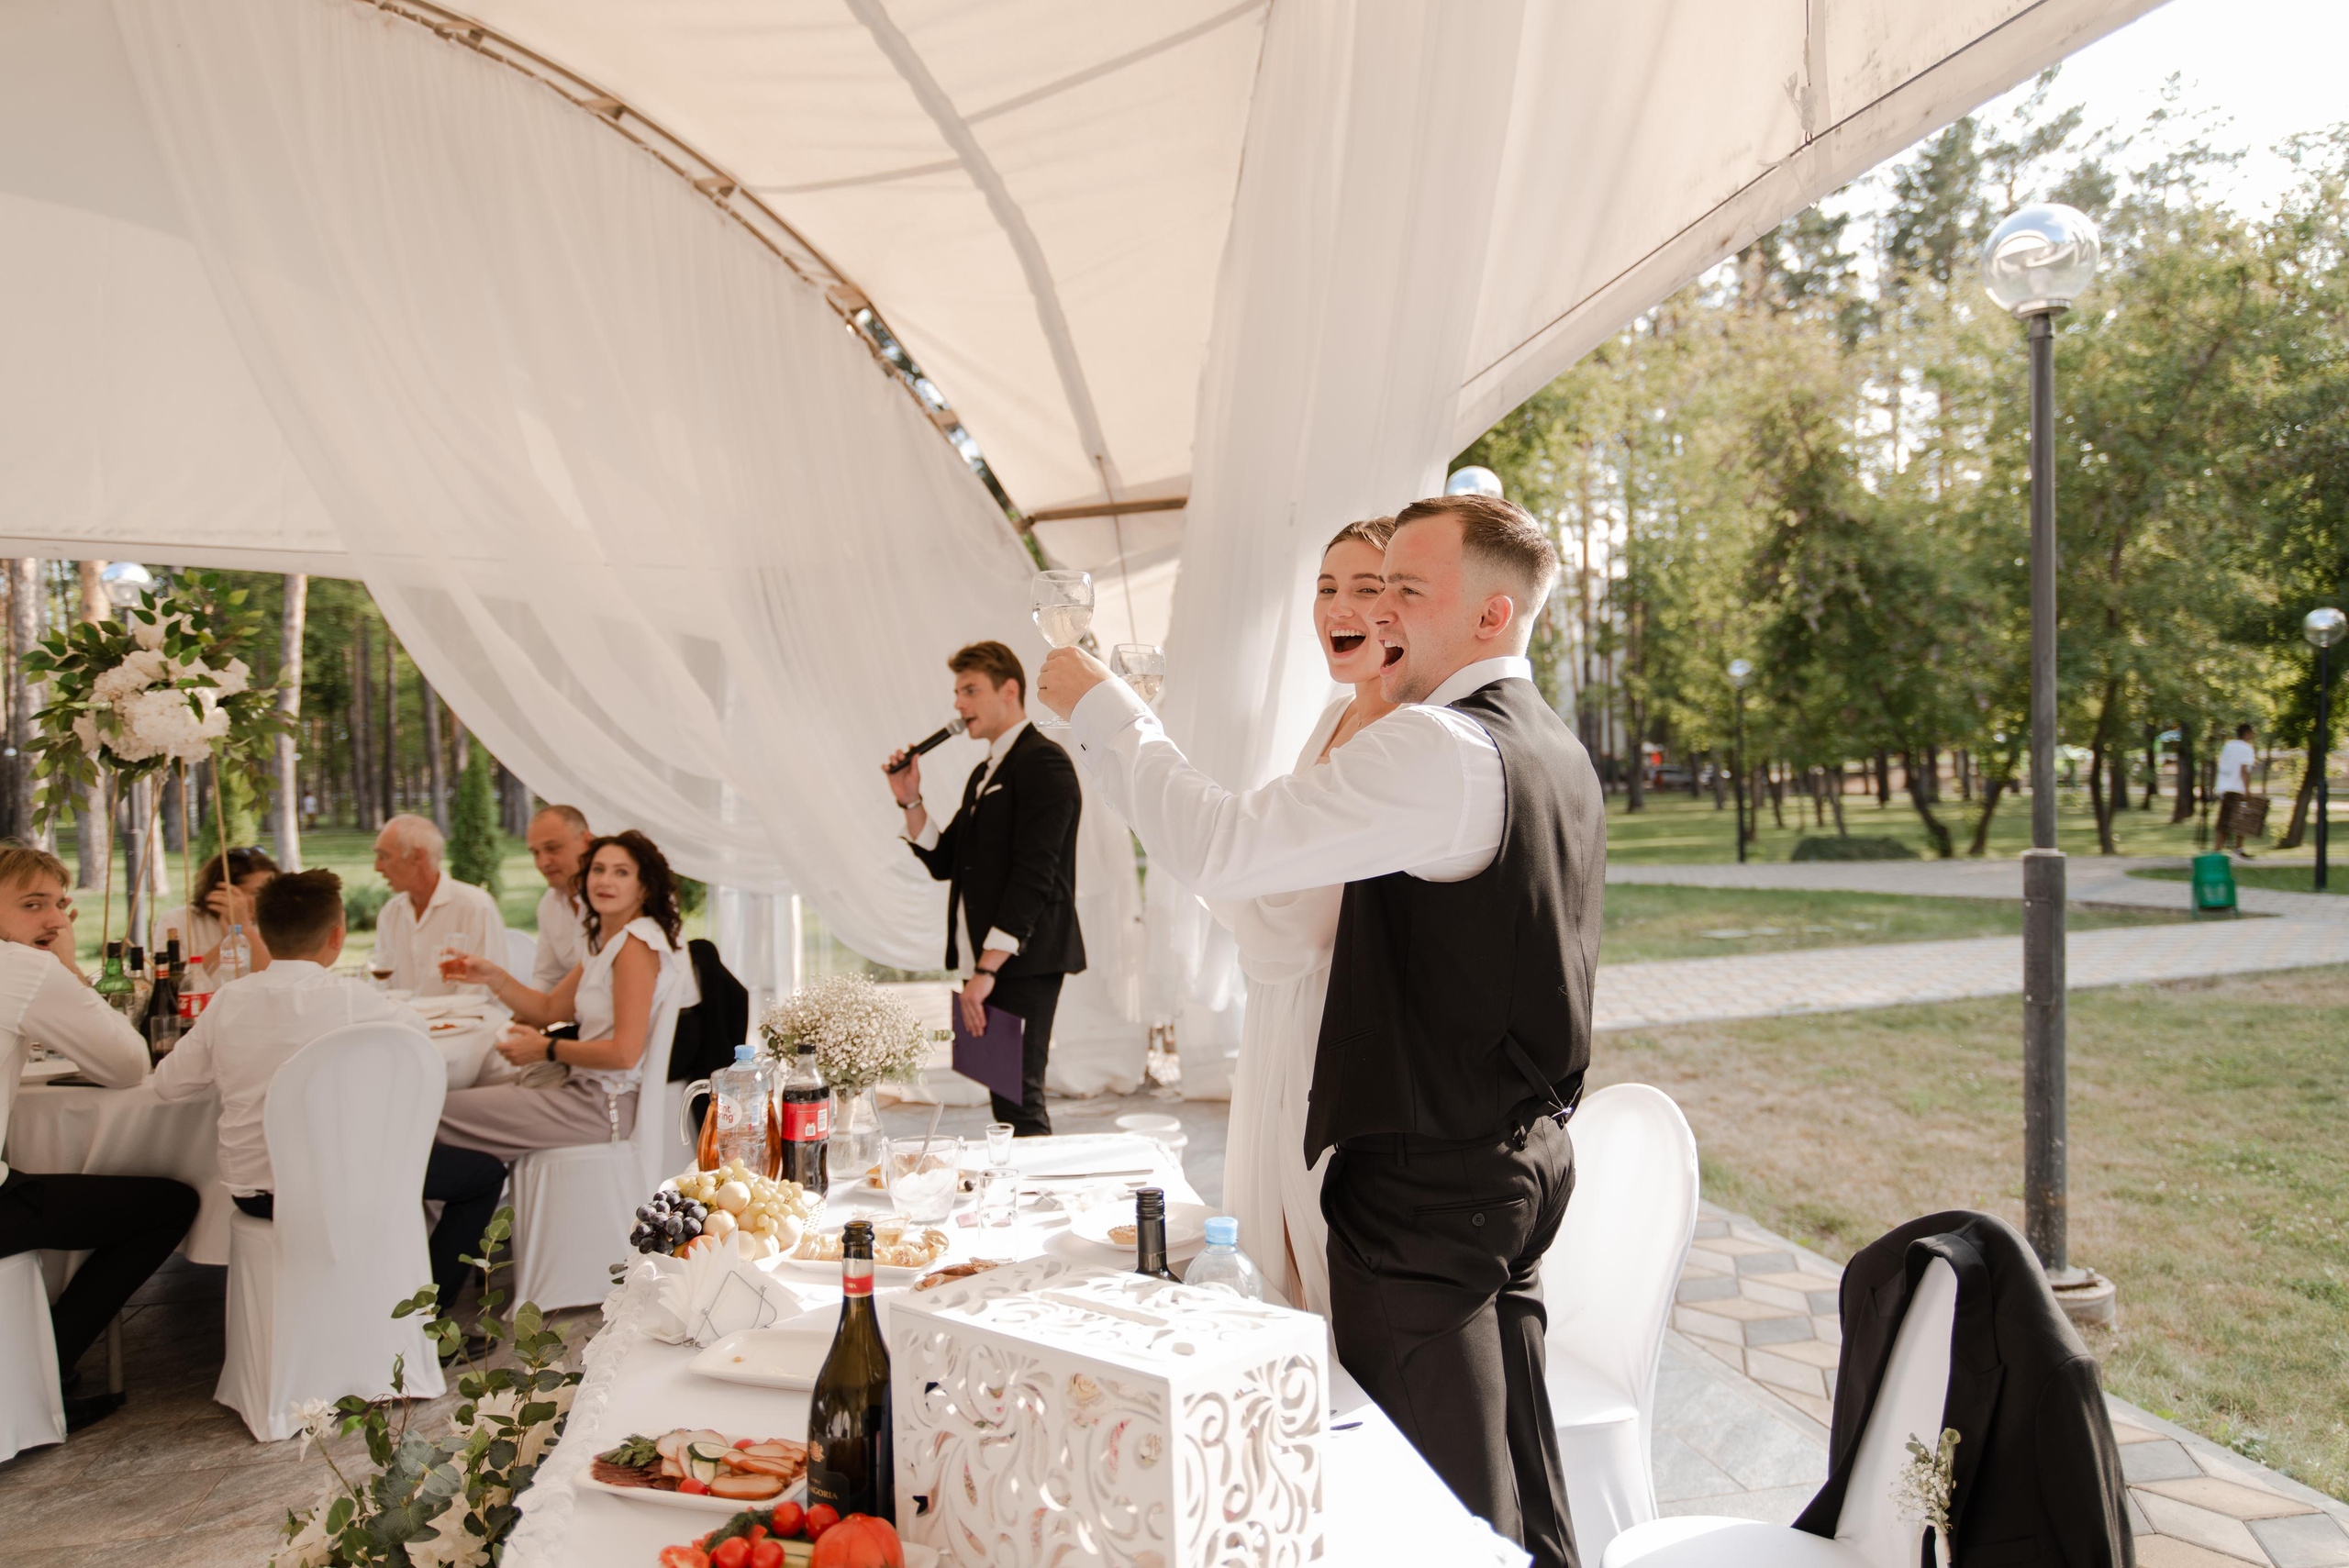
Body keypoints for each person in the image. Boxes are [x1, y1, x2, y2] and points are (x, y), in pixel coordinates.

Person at [1039, 494, 1601, 1568]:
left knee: (1427, 1493)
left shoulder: (1434, 746)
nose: (1380, 607)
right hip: (1515, 1160)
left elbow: (1227, 846)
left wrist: (1110, 710)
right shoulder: (1546, 746)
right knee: (1518, 1469)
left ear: (1490, 616)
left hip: (1428, 1174)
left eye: (1406, 588)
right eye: (1372, 583)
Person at [1208, 517, 1398, 1317]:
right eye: (1326, 587)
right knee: (1266, 1234)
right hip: (1279, 1009)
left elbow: (1302, 921)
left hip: (1329, 1011)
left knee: (1310, 1244)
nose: (1338, 606)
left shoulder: (1395, 729)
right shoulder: (1333, 718)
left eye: (1365, 587)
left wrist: (1211, 862)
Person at [0, 845, 200, 1432]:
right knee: (169, 1206)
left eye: (60, 904)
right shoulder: (21, 970)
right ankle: (45, 1370)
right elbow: (126, 1064)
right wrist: (64, 967)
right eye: (33, 905)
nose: (56, 920)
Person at [884, 641, 1085, 1138]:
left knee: (1020, 1097)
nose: (959, 704)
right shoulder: (985, 772)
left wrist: (988, 969)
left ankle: (1040, 1205)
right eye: (957, 692)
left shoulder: (1044, 763)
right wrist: (910, 800)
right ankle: (1017, 1202)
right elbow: (947, 860)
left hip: (1024, 958)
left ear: (1009, 690)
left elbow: (1035, 875)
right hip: (990, 961)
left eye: (970, 690)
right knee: (1003, 1096)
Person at [436, 830, 697, 1159]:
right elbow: (547, 1009)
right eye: (598, 869)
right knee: (445, 1104)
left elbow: (624, 1055)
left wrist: (546, 1049)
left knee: (432, 1112)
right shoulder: (606, 940)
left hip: (603, 1105)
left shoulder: (635, 945)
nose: (605, 881)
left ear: (644, 887)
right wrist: (492, 976)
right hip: (583, 1091)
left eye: (621, 872)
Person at [372, 815, 507, 996]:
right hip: (405, 1023)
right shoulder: (390, 912)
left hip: (467, 1022)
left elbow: (481, 993)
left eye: (383, 856)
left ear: (416, 856)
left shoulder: (475, 906)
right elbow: (381, 988)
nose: (377, 867)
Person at [155, 845, 278, 981]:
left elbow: (274, 980)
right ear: (223, 892)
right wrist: (226, 943)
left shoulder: (278, 923)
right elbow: (176, 985)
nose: (269, 900)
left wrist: (246, 929)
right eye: (257, 893)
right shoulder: (176, 921)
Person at [525, 805, 594, 991]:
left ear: (587, 841)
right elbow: (547, 977)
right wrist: (529, 1016)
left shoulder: (615, 900)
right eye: (535, 853)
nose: (542, 863)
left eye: (553, 848)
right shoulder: (549, 904)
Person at [2217, 722, 2258, 857]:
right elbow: (2244, 770)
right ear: (2247, 733)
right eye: (2252, 732)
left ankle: (2238, 848)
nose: (2254, 734)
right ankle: (2216, 851)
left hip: (2224, 786)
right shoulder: (2246, 748)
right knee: (2228, 820)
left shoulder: (2228, 745)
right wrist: (2247, 789)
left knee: (2237, 818)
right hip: (2236, 788)